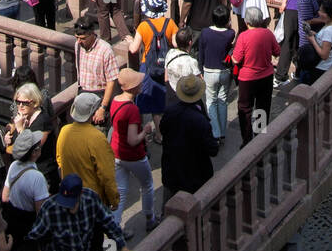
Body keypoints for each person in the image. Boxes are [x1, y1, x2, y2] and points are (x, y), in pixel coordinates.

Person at [25, 171, 126, 251]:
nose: (68, 207)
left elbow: (108, 223)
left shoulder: (91, 199)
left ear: (81, 193)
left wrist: (123, 248)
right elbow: (34, 236)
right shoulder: (49, 209)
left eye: (72, 202)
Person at [126, 0, 177, 140]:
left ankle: (158, 135)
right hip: (167, 67)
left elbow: (134, 49)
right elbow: (176, 44)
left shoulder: (143, 26)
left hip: (148, 66)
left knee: (152, 102)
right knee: (165, 100)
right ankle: (166, 131)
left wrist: (129, 40)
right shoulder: (170, 23)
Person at [109, 70, 158, 236]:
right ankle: (150, 218)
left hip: (116, 153)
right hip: (134, 155)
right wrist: (145, 131)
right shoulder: (132, 110)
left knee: (120, 192)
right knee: (147, 185)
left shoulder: (115, 100)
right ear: (132, 87)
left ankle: (115, 228)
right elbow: (132, 140)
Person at [160, 73, 218, 211]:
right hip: (195, 176)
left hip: (171, 170)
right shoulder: (200, 120)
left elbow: (162, 129)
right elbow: (213, 149)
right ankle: (259, 131)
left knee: (168, 210)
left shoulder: (170, 111)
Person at [56, 94, 120, 211]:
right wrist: (113, 199)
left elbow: (60, 160)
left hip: (70, 195)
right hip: (91, 199)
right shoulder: (97, 137)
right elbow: (107, 174)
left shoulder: (64, 131)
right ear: (93, 112)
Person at [231, 8, 280, 147]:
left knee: (245, 109)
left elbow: (236, 59)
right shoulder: (268, 34)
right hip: (266, 76)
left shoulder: (244, 37)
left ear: (247, 22)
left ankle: (247, 139)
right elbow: (277, 51)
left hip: (247, 79)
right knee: (262, 107)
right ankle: (259, 138)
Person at [275, 0, 323, 86]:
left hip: (291, 8)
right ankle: (298, 73)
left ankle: (280, 76)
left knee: (288, 41)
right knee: (303, 42)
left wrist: (283, 3)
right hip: (307, 11)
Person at [1, 130, 49, 248]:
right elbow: (40, 213)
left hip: (13, 224)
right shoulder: (37, 177)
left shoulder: (14, 166)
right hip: (29, 227)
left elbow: (5, 197)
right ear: (34, 153)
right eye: (38, 146)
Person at [3, 83, 56, 189]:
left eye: (25, 103)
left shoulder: (42, 121)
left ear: (35, 103)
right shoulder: (24, 117)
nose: (20, 106)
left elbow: (31, 150)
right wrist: (8, 138)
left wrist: (20, 129)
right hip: (27, 172)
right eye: (18, 102)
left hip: (42, 173)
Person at [198, 3, 235, 145]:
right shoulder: (230, 34)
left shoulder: (205, 32)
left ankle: (216, 132)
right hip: (224, 71)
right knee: (222, 100)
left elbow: (201, 52)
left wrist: (200, 70)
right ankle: (223, 132)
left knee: (211, 101)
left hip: (209, 71)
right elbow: (230, 33)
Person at [73, 16, 119, 123]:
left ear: (92, 34)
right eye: (77, 38)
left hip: (99, 96)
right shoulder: (78, 46)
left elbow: (111, 81)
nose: (79, 41)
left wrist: (103, 108)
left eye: (83, 38)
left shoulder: (105, 50)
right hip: (83, 93)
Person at [300, 0, 332, 84]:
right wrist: (315, 35)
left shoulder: (329, 31)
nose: (319, 13)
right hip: (328, 64)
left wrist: (312, 40)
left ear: (330, 14)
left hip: (321, 68)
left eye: (322, 11)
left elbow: (324, 55)